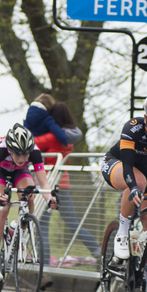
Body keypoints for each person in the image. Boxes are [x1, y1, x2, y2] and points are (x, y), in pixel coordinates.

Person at [103, 92, 147, 260]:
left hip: (146, 168)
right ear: (145, 118)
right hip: (118, 162)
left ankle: (145, 261)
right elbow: (128, 165)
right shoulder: (133, 128)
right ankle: (122, 234)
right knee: (139, 182)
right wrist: (133, 186)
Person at [0, 124, 56, 282]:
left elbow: (44, 184)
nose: (22, 159)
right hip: (0, 173)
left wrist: (50, 199)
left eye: (25, 154)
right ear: (10, 150)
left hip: (19, 172)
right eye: (18, 154)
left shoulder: (35, 152)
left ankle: (18, 232)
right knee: (2, 208)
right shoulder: (0, 149)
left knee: (29, 194)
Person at [34, 101, 99, 266]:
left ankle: (44, 264)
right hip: (63, 184)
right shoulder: (69, 138)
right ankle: (98, 252)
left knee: (41, 226)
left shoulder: (52, 137)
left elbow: (32, 142)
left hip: (48, 184)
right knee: (73, 224)